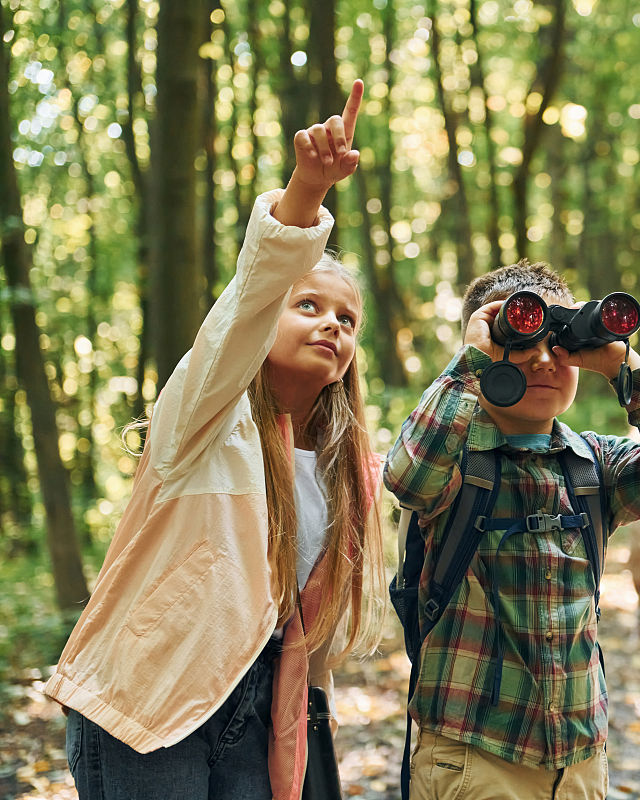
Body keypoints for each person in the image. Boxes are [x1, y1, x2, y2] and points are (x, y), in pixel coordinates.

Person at [43, 80, 385, 800]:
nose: (332, 324)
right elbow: (250, 297)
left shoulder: (345, 469)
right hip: (149, 704)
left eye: (347, 320)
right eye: (308, 305)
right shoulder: (207, 416)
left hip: (257, 709)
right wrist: (307, 192)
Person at [384, 261, 640, 799]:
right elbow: (409, 478)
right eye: (520, 343)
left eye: (559, 342)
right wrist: (468, 364)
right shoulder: (455, 459)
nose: (542, 359)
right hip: (476, 756)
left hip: (579, 759)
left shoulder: (593, 466)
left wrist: (623, 365)